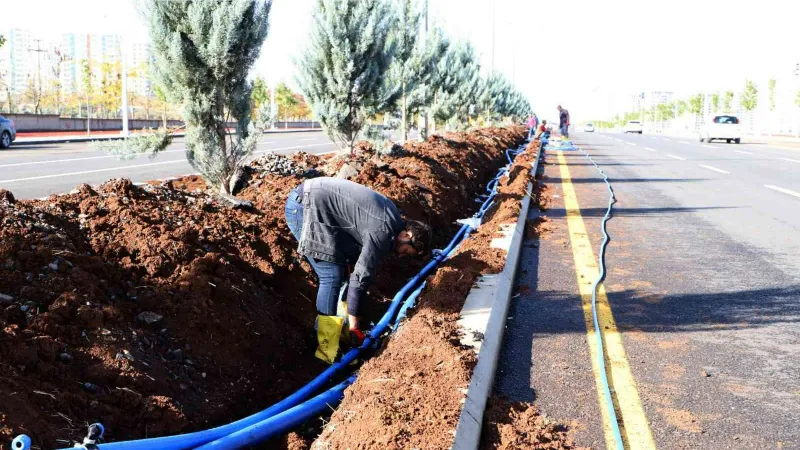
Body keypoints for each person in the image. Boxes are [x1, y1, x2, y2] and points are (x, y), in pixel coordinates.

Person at [285, 177, 431, 363]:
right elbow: (361, 277)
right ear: (406, 235)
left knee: (344, 264)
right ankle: (326, 348)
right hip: (305, 207)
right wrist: (355, 325)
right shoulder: (383, 230)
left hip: (320, 207)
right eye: (406, 251)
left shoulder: (392, 222)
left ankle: (342, 332)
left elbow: (358, 270)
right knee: (331, 275)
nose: (402, 255)